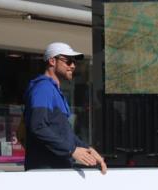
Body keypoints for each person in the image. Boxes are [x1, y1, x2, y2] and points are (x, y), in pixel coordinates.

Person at [24, 42, 107, 173]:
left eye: (74, 62)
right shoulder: (43, 88)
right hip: (45, 172)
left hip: (56, 170)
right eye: (68, 61)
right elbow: (38, 126)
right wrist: (71, 150)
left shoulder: (53, 90)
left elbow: (64, 133)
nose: (73, 66)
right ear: (52, 61)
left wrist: (88, 149)